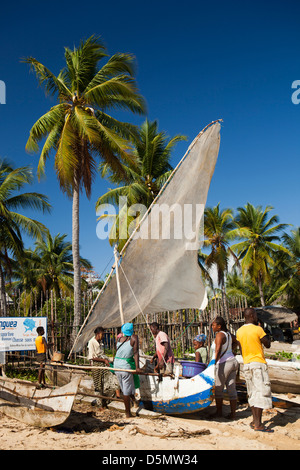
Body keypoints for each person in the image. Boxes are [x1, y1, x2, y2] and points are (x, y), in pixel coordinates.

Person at [236, 308, 273, 432]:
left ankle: (254, 420)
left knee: (252, 393)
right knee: (260, 393)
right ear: (251, 315)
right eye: (256, 314)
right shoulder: (258, 329)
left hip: (247, 364)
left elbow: (241, 350)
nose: (257, 316)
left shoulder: (239, 331)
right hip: (258, 364)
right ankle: (258, 424)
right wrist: (265, 332)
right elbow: (267, 344)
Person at [211, 316, 239, 420]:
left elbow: (217, 350)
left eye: (214, 325)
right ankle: (233, 414)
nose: (212, 327)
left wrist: (214, 363)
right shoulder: (229, 335)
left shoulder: (219, 335)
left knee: (219, 388)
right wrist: (233, 351)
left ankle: (219, 412)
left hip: (224, 364)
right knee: (232, 389)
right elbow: (237, 342)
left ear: (219, 326)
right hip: (233, 362)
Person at [113, 323, 142, 418]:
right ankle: (128, 414)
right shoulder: (133, 338)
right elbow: (136, 352)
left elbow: (117, 351)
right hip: (125, 366)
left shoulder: (118, 338)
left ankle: (134, 401)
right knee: (126, 390)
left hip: (116, 365)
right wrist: (137, 368)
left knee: (125, 387)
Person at [88, 326, 120, 408]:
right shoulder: (92, 342)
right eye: (102, 334)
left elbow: (102, 354)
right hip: (96, 365)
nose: (103, 336)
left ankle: (106, 401)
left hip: (103, 364)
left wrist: (107, 360)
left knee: (112, 381)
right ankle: (100, 405)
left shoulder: (100, 343)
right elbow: (92, 357)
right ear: (98, 334)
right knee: (98, 385)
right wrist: (104, 360)